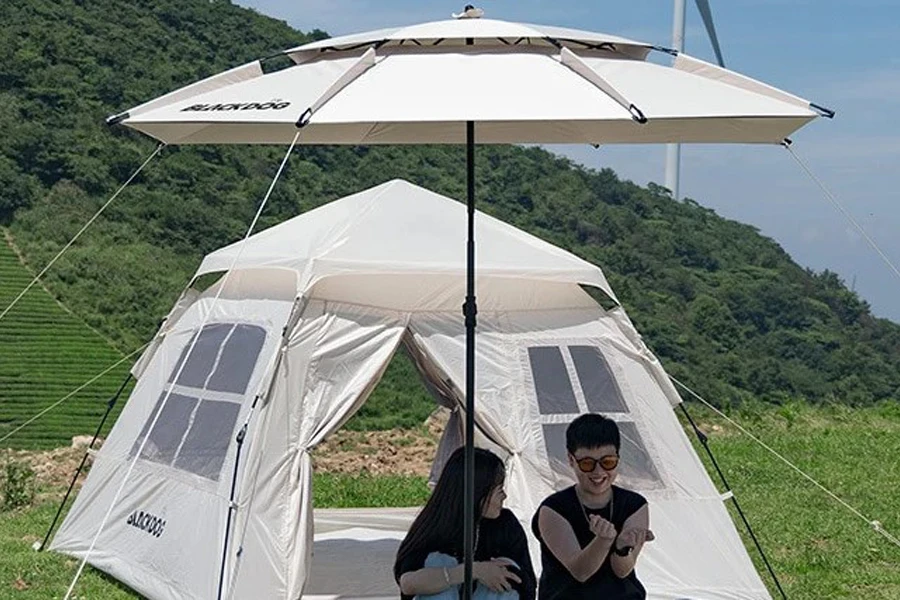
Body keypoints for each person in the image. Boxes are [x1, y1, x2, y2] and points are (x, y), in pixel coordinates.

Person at [531, 414, 654, 599]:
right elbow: (581, 572)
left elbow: (623, 571)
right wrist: (604, 540)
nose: (599, 472)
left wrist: (622, 549)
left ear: (618, 459)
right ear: (571, 460)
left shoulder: (635, 504)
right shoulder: (552, 509)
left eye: (608, 462)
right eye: (587, 463)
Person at [394, 446, 536, 600]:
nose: (505, 496)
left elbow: (526, 584)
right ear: (478, 492)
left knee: (505, 572)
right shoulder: (436, 527)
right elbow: (407, 583)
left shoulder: (505, 524)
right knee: (438, 562)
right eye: (499, 490)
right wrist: (472, 571)